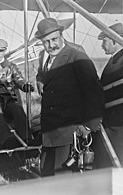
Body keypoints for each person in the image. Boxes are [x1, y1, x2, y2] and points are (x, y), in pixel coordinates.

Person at [35, 18, 104, 176]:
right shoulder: (44, 57)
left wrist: (88, 126)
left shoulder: (77, 58)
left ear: (61, 36)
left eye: (54, 39)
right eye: (46, 42)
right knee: (47, 174)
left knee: (63, 178)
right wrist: (40, 81)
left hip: (69, 132)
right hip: (49, 131)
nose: (51, 45)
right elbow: (42, 74)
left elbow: (95, 93)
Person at [92, 23, 123, 168]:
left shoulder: (119, 61)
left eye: (105, 41)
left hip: (117, 122)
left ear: (115, 41)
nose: (102, 46)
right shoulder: (114, 60)